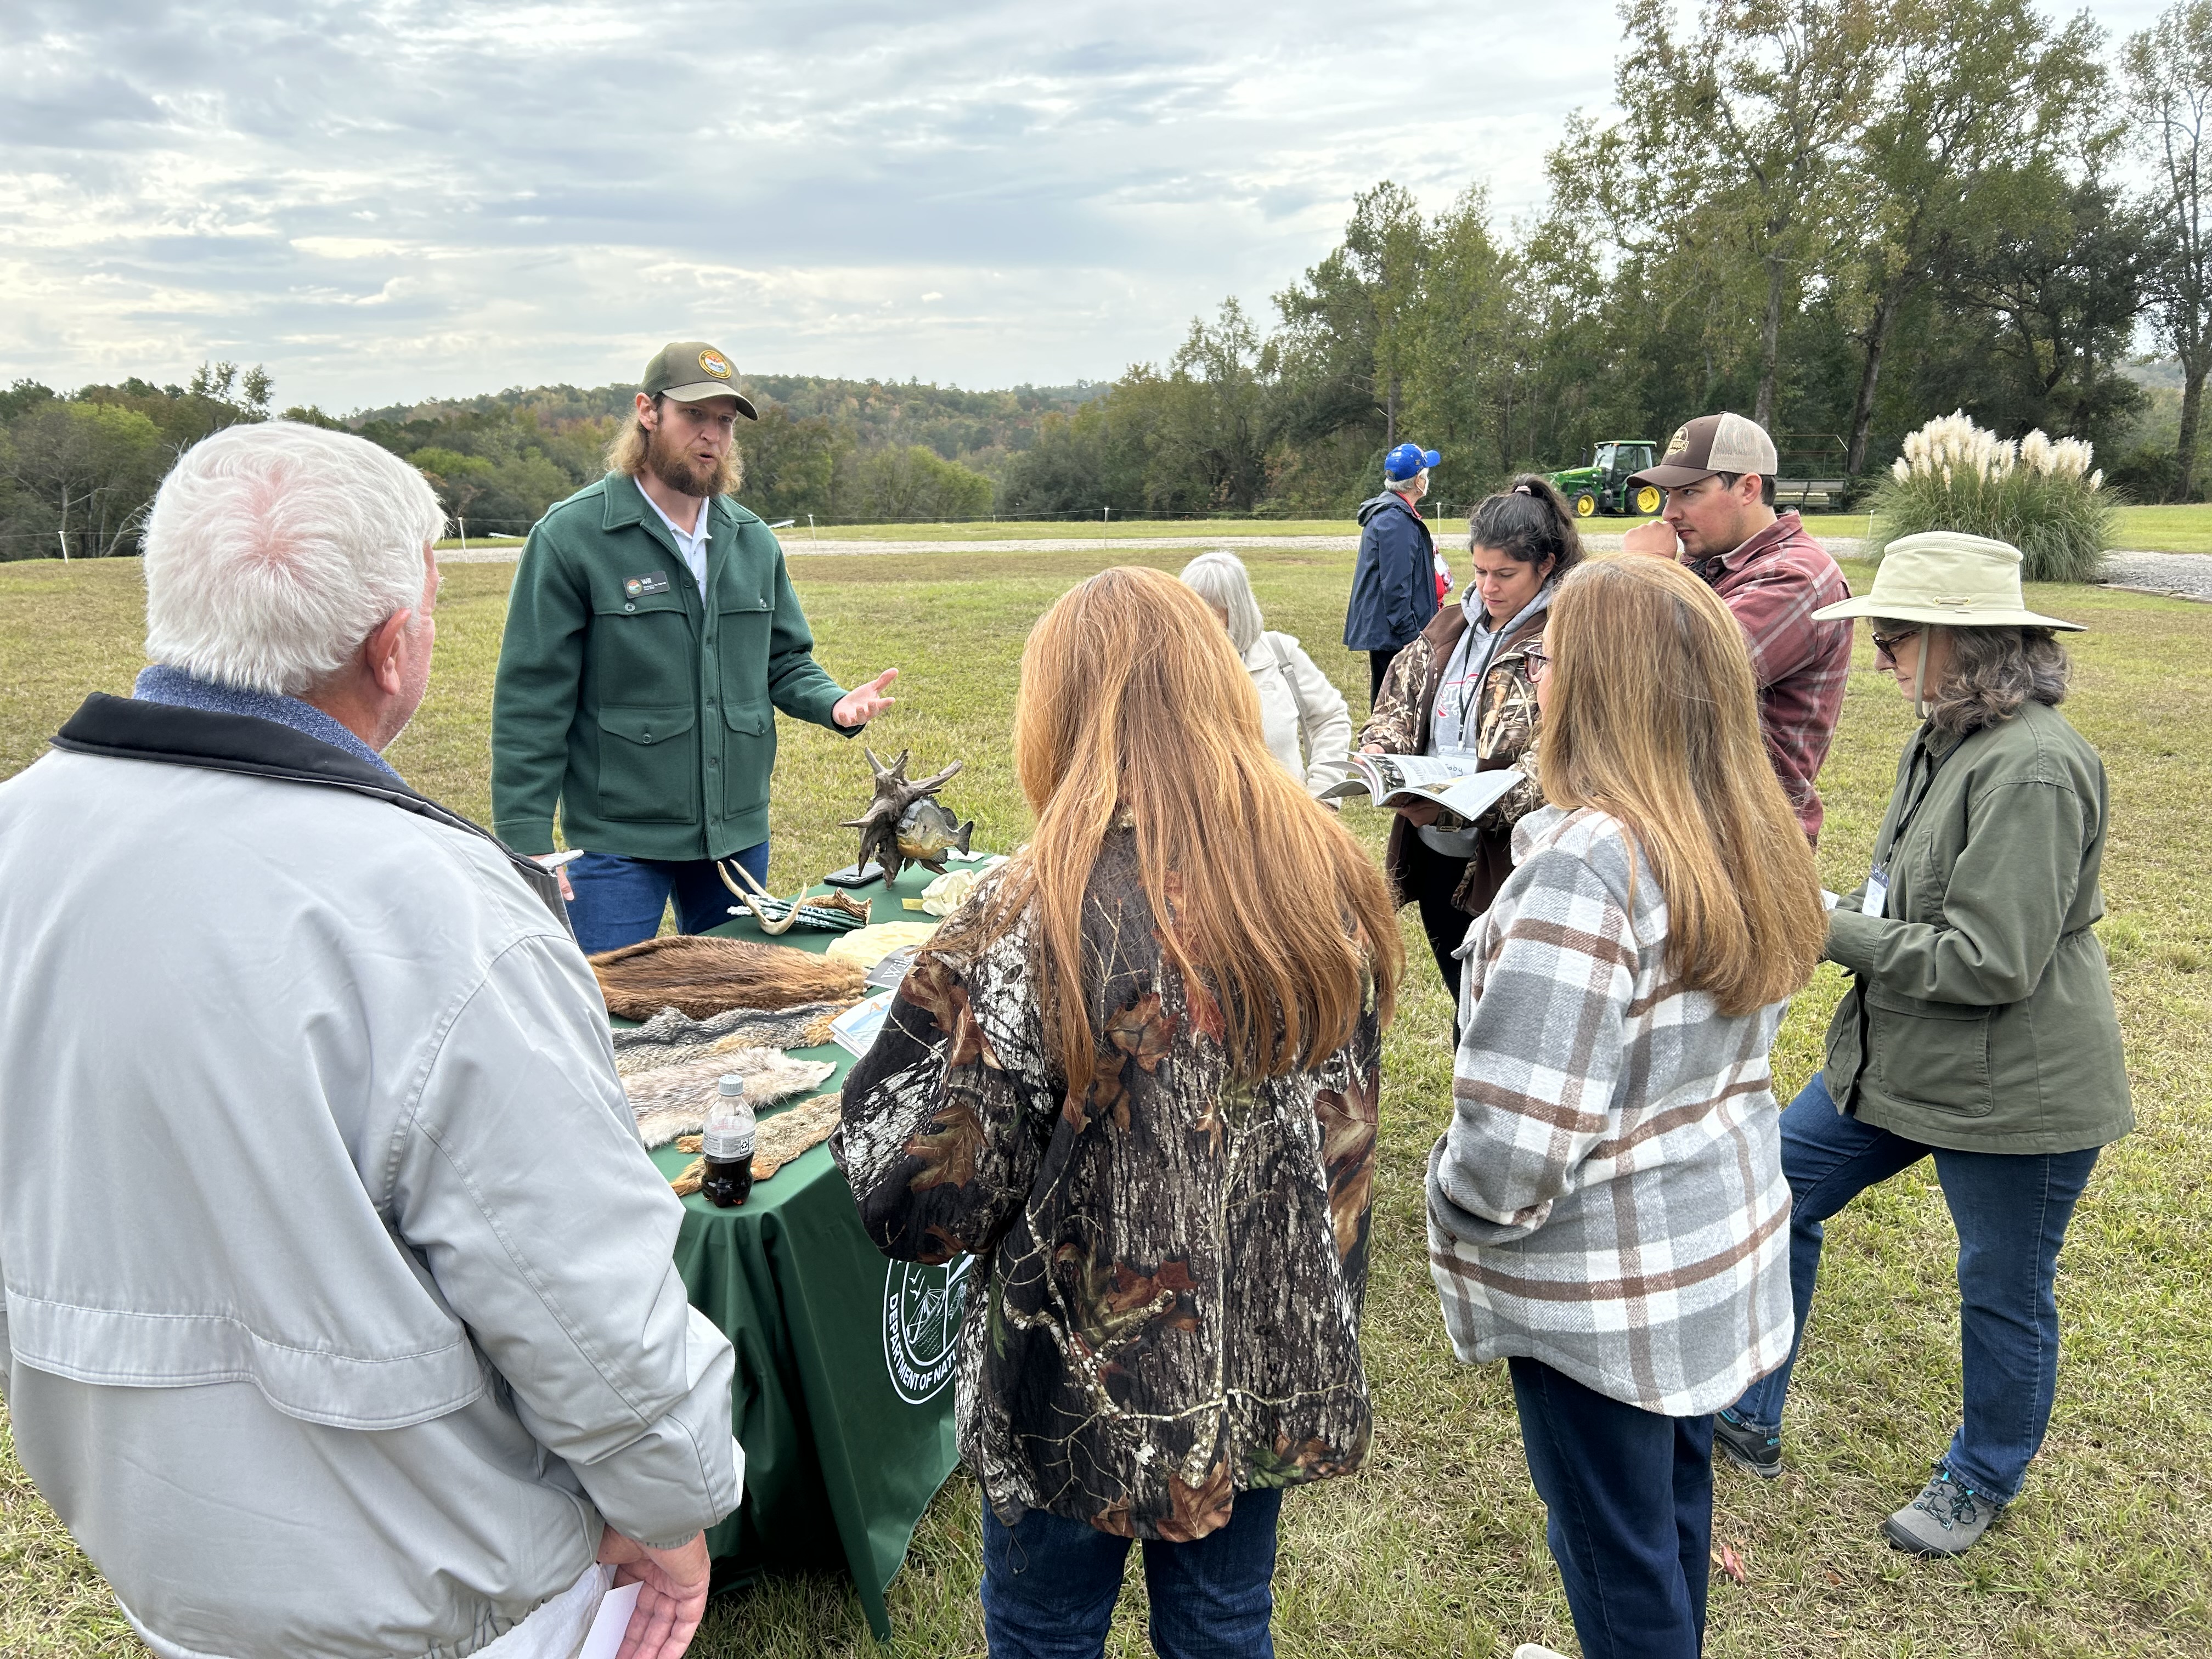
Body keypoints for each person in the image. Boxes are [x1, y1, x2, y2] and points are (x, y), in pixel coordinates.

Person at [0, 422, 741, 1659]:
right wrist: (672, 1506)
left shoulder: (19, 839)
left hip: (161, 1564)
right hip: (436, 1599)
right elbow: (581, 1302)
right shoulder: (442, 913)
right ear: (394, 649)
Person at [836, 566, 1402, 1659]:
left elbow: (919, 1199)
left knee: (1050, 1624)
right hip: (1258, 1346)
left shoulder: (1034, 906)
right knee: (1227, 1617)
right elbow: (1345, 1148)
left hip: (1074, 1381)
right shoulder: (1323, 872)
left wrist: (922, 1038)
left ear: (1058, 711)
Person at [1426, 554, 1829, 1659]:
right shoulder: (1737, 827)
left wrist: (1445, 1198)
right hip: (1703, 1255)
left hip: (1602, 1297)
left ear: (1599, 684)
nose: (1538, 680)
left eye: (1551, 660)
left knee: (1613, 1549)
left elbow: (1512, 1150)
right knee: (1668, 1516)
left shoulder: (1589, 866)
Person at [1714, 532, 2131, 1558]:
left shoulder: (2032, 765)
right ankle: (1745, 1408)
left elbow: (1991, 960)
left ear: (1961, 642)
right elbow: (1905, 896)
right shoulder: (1942, 734)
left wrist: (1817, 922)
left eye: (1895, 635)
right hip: (1897, 1057)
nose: (1878, 655)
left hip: (2018, 1087)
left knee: (2001, 1282)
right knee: (1776, 1189)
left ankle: (1981, 1476)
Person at [493, 340, 899, 954]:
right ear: (648, 412)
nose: (711, 436)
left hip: (734, 839)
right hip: (617, 842)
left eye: (725, 422)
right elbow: (532, 696)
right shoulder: (573, 536)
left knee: (731, 1005)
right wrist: (525, 837)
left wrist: (834, 703)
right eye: (694, 416)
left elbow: (784, 660)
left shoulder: (752, 541)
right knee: (603, 1005)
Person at [1360, 475, 1581, 1005]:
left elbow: (1558, 762)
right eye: (1480, 571)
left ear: (1546, 565)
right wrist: (1379, 750)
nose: (1489, 587)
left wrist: (1455, 811)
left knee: (1503, 1007)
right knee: (1463, 1000)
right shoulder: (1448, 627)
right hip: (1434, 850)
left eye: (1506, 574)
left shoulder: (1567, 637)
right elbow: (1397, 706)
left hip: (1507, 859)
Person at [1623, 411, 1852, 842]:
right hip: (1690, 819)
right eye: (1668, 495)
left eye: (1689, 492)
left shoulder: (1797, 578)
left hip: (1746, 839)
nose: (1670, 513)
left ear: (1749, 488)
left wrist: (1642, 572)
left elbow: (1669, 681)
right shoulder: (1705, 563)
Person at [1178, 550, 1353, 800]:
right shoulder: (1166, 667)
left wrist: (1322, 796)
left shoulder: (1282, 655)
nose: (1195, 624)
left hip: (1285, 823)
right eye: (1188, 612)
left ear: (1237, 612)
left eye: (1211, 613)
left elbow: (1331, 719)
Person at [1343, 441, 1442, 706]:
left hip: (1391, 633)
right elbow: (1396, 587)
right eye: (1426, 474)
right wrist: (1412, 638)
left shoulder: (1395, 515)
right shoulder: (1396, 521)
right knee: (1393, 706)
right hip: (1395, 636)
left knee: (1392, 702)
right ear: (1418, 481)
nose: (1428, 479)